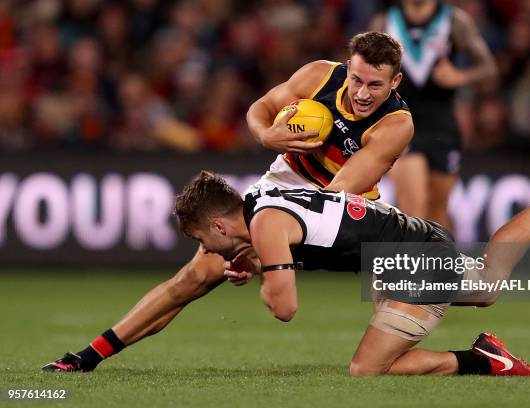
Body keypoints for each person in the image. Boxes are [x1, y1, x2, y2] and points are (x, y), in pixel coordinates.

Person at [42, 32, 415, 372]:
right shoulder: (319, 76)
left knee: (427, 289)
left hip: (342, 204)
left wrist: (257, 247)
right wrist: (268, 137)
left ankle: (468, 299)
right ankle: (88, 356)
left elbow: (334, 192)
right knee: (197, 273)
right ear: (347, 67)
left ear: (395, 81)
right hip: (285, 178)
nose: (362, 93)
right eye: (356, 79)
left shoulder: (395, 125)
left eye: (375, 85)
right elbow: (260, 108)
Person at [167, 163, 530, 376]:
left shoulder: (265, 224)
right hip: (408, 243)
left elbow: (284, 307)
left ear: (219, 225)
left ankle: (485, 362)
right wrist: (256, 263)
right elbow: (299, 238)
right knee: (488, 285)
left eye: (203, 240)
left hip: (415, 261)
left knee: (367, 369)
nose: (207, 250)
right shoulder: (264, 199)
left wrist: (265, 280)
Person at [371, 0, 497, 229]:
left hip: (443, 124)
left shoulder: (454, 21)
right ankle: (415, 264)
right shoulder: (385, 23)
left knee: (438, 212)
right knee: (414, 211)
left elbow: (488, 67)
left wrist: (459, 77)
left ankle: (439, 263)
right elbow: (360, 68)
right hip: (401, 120)